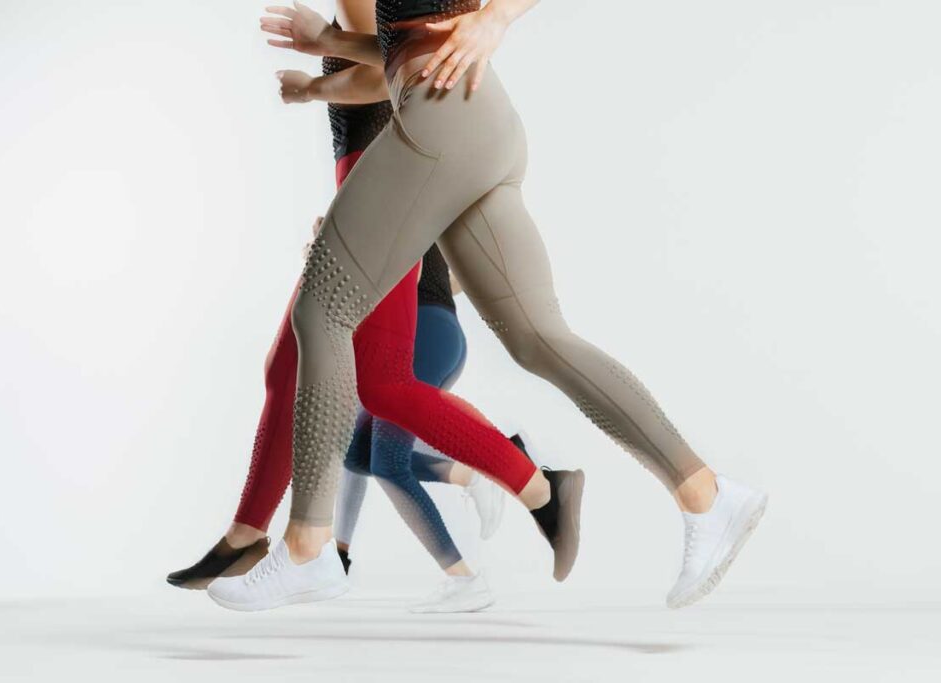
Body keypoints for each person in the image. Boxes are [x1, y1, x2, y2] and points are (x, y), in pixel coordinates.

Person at [209, 0, 767, 612]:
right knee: (540, 339)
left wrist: (496, 16)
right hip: (476, 117)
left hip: (442, 114)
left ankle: (308, 549)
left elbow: (431, 33)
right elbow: (414, 28)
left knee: (323, 314)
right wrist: (329, 43)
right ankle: (707, 494)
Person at [169, 0, 544, 614]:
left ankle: (524, 480)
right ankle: (256, 537)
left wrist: (311, 87)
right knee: (292, 373)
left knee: (380, 389)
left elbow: (383, 75)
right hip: (369, 181)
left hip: (381, 181)